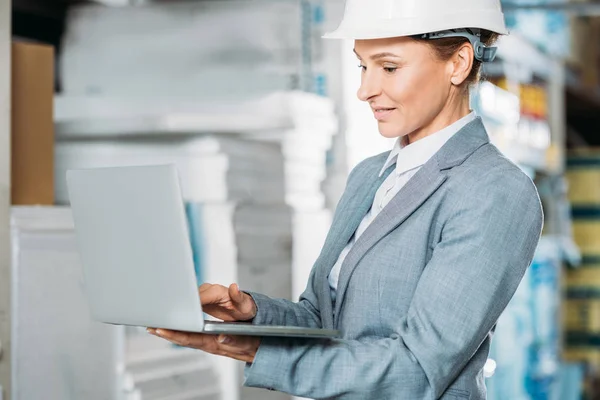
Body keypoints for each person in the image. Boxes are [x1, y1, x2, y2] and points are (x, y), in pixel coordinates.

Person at [147, 0, 544, 398]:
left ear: (458, 63)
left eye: (389, 67)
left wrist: (257, 351)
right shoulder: (370, 175)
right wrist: (252, 314)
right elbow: (325, 319)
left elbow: (416, 371)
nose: (365, 90)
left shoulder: (493, 191)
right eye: (362, 65)